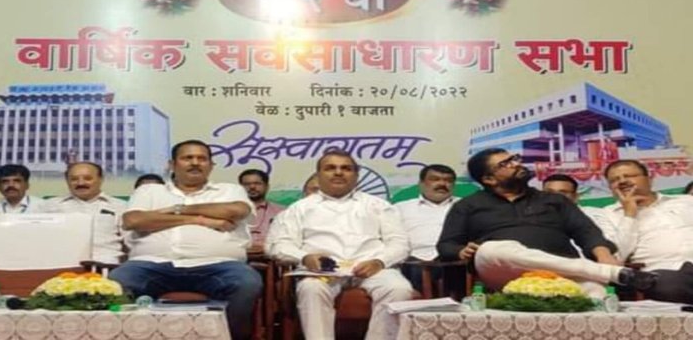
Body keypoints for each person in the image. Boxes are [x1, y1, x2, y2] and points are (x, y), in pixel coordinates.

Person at [436, 148, 657, 298]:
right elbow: (446, 245)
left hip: (561, 272)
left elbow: (586, 231)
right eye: (507, 163)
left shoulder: (554, 200)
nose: (517, 163)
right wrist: (461, 251)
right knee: (491, 248)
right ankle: (608, 273)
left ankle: (601, 272)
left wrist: (604, 255)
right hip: (504, 272)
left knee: (595, 293)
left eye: (515, 158)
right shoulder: (468, 205)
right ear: (489, 179)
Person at [113, 140, 263, 340]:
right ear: (172, 164)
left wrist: (177, 209)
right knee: (118, 282)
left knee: (246, 282)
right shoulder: (149, 191)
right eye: (188, 158)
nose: (195, 163)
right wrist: (200, 220)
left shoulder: (229, 190)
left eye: (202, 158)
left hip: (219, 266)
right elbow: (134, 220)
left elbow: (237, 211)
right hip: (151, 265)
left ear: (211, 165)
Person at [268, 150, 411, 340]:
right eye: (330, 168)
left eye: (346, 168)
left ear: (356, 176)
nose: (338, 172)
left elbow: (400, 243)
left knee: (399, 289)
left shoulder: (378, 205)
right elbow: (279, 245)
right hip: (323, 272)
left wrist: (380, 261)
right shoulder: (299, 208)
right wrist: (305, 258)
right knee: (311, 289)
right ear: (318, 175)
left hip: (372, 268)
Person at [600, 159, 693, 304]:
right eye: (614, 180)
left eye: (629, 176)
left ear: (650, 179)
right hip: (665, 273)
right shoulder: (607, 215)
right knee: (670, 285)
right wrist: (629, 214)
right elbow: (616, 257)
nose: (622, 181)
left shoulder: (686, 202)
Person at [395, 164, 462, 296]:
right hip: (413, 260)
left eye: (448, 180)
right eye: (435, 179)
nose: (442, 184)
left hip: (453, 259)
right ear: (421, 184)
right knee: (415, 267)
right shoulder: (400, 208)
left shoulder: (465, 205)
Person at [42, 162, 126, 264]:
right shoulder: (48, 206)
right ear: (67, 181)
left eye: (87, 178)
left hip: (106, 263)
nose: (81, 183)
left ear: (101, 179)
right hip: (60, 262)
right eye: (74, 179)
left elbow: (131, 242)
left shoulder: (121, 206)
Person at [239, 169, 283, 251]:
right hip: (237, 256)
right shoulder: (230, 213)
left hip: (271, 256)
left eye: (257, 183)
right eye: (247, 184)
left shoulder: (282, 212)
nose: (252, 187)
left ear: (267, 187)